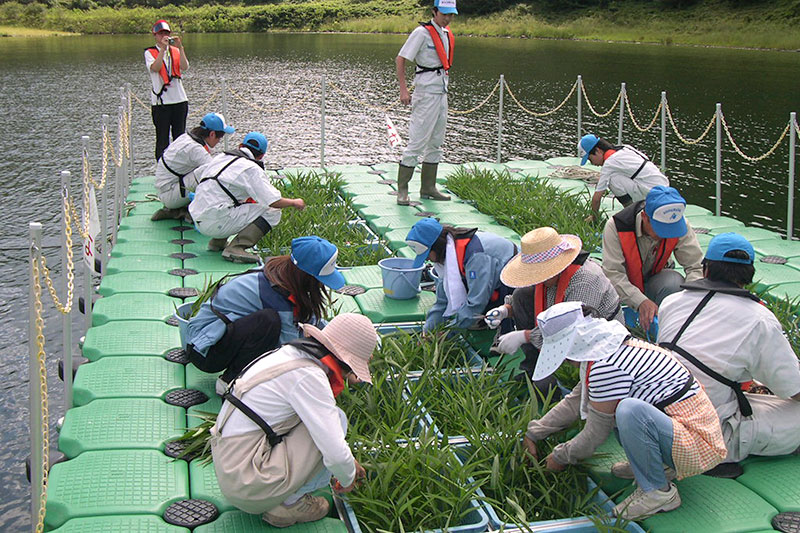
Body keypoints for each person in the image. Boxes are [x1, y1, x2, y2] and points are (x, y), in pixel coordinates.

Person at [523, 301, 726, 520]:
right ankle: (658, 466)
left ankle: (658, 493)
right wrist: (533, 432)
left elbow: (595, 434)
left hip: (697, 442)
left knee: (628, 411)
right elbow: (575, 400)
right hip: (682, 430)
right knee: (625, 409)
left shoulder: (606, 366)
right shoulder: (607, 350)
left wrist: (560, 457)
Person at [210, 312, 377, 528]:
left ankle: (279, 494)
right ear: (347, 363)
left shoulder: (291, 354)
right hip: (246, 482)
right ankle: (290, 504)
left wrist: (348, 461)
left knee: (322, 423)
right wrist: (348, 477)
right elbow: (335, 453)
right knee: (336, 420)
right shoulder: (311, 377)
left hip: (232, 464)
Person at [658, 233, 800, 463]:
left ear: (706, 270)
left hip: (661, 419)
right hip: (711, 437)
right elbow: (794, 389)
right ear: (749, 276)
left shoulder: (671, 302)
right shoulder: (759, 319)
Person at [186, 236, 344, 392]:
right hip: (204, 350)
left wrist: (342, 345)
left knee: (270, 324)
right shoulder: (272, 296)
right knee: (268, 322)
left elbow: (311, 322)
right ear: (305, 277)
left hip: (223, 338)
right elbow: (289, 351)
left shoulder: (282, 275)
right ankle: (231, 382)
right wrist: (333, 367)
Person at [485, 227, 622, 389]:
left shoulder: (585, 281)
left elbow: (570, 329)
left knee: (543, 385)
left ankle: (559, 382)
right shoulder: (552, 279)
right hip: (569, 328)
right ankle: (532, 368)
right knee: (521, 295)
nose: (536, 279)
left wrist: (525, 336)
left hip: (593, 339)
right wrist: (506, 310)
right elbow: (540, 304)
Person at [189, 132, 306, 263]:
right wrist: (295, 202)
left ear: (240, 146)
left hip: (196, 217)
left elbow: (197, 174)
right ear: (261, 155)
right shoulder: (251, 168)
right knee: (272, 212)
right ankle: (236, 248)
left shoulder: (221, 156)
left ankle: (217, 242)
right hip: (216, 222)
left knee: (232, 200)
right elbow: (273, 201)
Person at [602, 185, 703, 332]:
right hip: (624, 289)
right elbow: (613, 274)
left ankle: (672, 328)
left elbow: (695, 266)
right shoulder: (616, 227)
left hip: (656, 281)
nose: (666, 234)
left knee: (673, 281)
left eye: (671, 228)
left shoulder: (680, 224)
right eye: (660, 228)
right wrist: (640, 301)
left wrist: (690, 299)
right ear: (644, 217)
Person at [394, 0, 457, 205]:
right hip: (425, 92)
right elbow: (401, 58)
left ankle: (428, 187)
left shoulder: (446, 34)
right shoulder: (421, 33)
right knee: (417, 141)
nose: (447, 18)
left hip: (441, 91)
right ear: (434, 11)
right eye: (444, 14)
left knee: (437, 141)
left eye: (451, 15)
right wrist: (404, 89)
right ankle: (402, 190)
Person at [405, 217, 516, 333]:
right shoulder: (448, 254)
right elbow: (442, 300)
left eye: (427, 255)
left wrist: (449, 332)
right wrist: (427, 330)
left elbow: (477, 302)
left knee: (478, 314)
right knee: (467, 314)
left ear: (436, 247)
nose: (428, 259)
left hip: (514, 281)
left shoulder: (475, 257)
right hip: (488, 277)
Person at [151, 112, 235, 221]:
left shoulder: (186, 137)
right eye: (220, 136)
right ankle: (192, 211)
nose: (220, 140)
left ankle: (184, 207)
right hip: (169, 195)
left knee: (208, 169)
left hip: (166, 188)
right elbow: (216, 173)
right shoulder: (196, 149)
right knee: (209, 172)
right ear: (212, 134)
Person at [579, 134, 669, 221]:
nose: (592, 163)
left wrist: (594, 217)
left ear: (598, 151)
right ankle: (637, 209)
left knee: (612, 180)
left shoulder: (609, 163)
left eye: (590, 159)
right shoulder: (625, 148)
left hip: (653, 194)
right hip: (663, 187)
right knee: (616, 176)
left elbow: (596, 198)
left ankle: (632, 213)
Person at [145, 19, 189, 161]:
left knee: (180, 138)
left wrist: (180, 47)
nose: (164, 36)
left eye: (166, 33)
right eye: (161, 33)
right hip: (161, 103)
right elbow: (156, 68)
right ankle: (162, 170)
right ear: (155, 36)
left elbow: (184, 66)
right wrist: (163, 50)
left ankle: (180, 170)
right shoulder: (150, 52)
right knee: (162, 138)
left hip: (179, 100)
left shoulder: (175, 51)